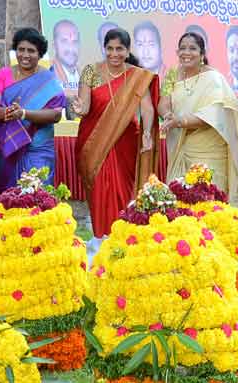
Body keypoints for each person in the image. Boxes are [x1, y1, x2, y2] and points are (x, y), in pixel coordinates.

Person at [71, 28, 157, 243]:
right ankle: (101, 239)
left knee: (123, 191)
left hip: (125, 142)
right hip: (94, 140)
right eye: (109, 48)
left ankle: (122, 239)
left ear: (127, 51)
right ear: (104, 49)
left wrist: (147, 133)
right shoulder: (91, 70)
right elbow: (85, 107)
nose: (114, 53)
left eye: (119, 49)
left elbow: (147, 108)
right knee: (99, 190)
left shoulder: (137, 75)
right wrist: (78, 107)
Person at [159, 32, 238, 213]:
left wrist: (179, 121)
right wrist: (168, 114)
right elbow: (163, 101)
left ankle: (211, 239)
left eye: (192, 48)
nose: (187, 52)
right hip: (182, 146)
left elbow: (213, 115)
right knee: (180, 202)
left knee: (208, 202)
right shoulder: (172, 75)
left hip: (209, 148)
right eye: (183, 48)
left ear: (202, 54)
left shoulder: (213, 79)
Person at [0, 28, 64, 194]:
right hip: (8, 147)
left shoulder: (48, 80)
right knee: (8, 198)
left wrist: (23, 113)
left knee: (37, 197)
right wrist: (7, 113)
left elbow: (56, 114)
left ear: (40, 54)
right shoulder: (3, 75)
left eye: (31, 51)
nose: (25, 55)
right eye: (21, 49)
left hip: (38, 147)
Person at [51, 19, 81, 95]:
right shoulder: (49, 77)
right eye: (64, 41)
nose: (70, 48)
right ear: (54, 46)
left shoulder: (84, 74)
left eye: (74, 42)